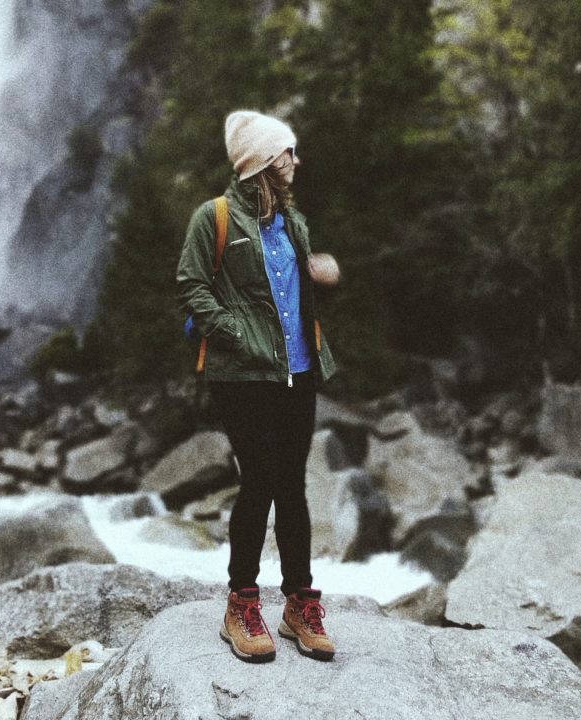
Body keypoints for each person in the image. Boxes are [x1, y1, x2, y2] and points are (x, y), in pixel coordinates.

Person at [176, 110, 340, 663]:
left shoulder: (294, 224)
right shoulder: (213, 218)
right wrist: (235, 334)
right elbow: (191, 286)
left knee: (292, 484)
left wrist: (325, 279)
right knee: (261, 481)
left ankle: (299, 603)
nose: (296, 161)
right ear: (264, 162)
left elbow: (297, 301)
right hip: (242, 374)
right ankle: (241, 604)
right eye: (287, 153)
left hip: (298, 370)